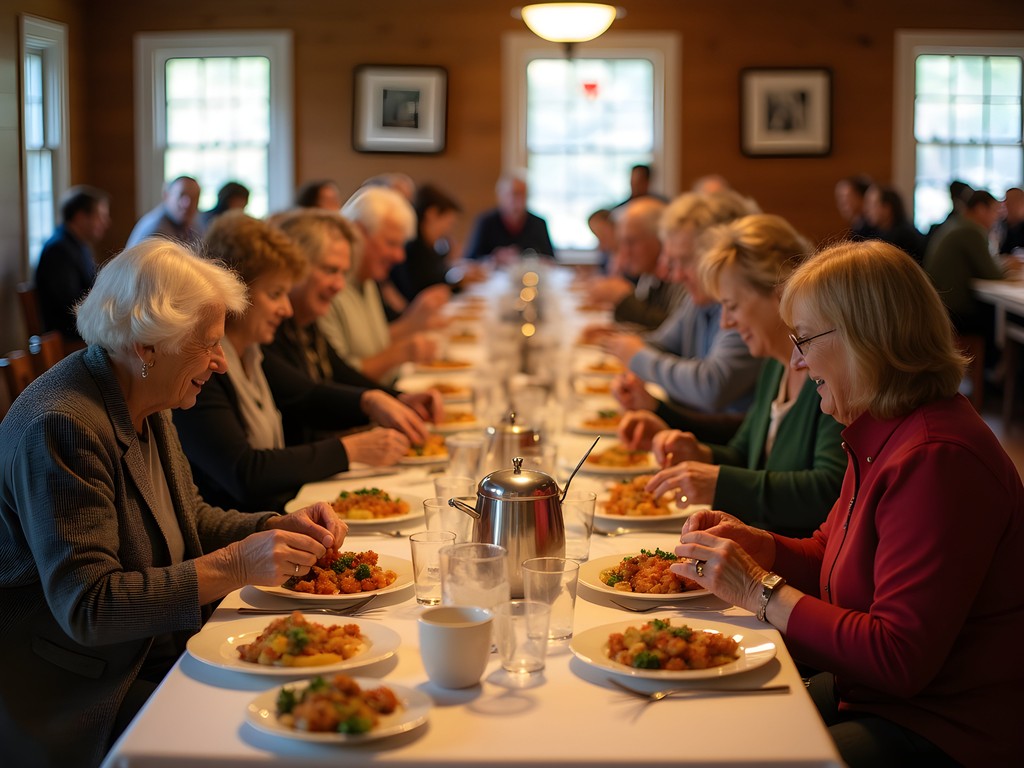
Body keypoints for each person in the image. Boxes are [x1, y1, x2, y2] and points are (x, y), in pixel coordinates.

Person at [673, 240, 1024, 765]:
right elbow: (831, 558)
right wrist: (761, 547)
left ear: (866, 338)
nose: (795, 359)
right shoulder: (884, 426)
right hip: (872, 694)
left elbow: (897, 656)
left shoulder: (937, 457)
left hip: (944, 727)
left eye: (805, 340)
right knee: (707, 715)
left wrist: (757, 589)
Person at [0, 239, 348, 768]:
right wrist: (237, 564)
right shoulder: (64, 425)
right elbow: (88, 606)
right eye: (208, 344)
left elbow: (190, 518)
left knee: (311, 693)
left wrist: (277, 525)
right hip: (83, 689)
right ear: (146, 347)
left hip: (148, 652)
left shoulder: (146, 392)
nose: (221, 363)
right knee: (271, 736)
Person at [173, 212, 415, 513]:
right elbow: (244, 473)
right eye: (276, 294)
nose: (286, 309)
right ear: (235, 293)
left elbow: (309, 394)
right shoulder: (203, 369)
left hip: (276, 518)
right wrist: (350, 449)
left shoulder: (252, 353)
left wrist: (386, 400)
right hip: (247, 535)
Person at [645, 214, 846, 537]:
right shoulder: (774, 365)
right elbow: (744, 455)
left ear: (779, 294)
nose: (725, 322)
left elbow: (827, 491)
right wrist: (696, 452)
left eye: (732, 306)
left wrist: (717, 481)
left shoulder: (825, 376)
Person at [267, 207, 443, 445]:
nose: (339, 285)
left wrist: (400, 399)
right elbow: (306, 395)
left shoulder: (305, 323)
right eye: (330, 270)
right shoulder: (270, 330)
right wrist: (370, 403)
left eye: (343, 273)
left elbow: (341, 373)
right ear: (295, 267)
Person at [599, 191, 762, 431]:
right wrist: (625, 349)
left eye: (684, 261)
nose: (673, 274)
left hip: (722, 440)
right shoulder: (700, 301)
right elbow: (662, 342)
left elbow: (712, 387)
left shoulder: (742, 308)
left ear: (718, 256)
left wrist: (637, 357)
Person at [318, 185, 449, 385]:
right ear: (358, 233)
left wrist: (415, 322)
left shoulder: (368, 278)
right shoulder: (330, 288)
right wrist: (402, 351)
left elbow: (374, 344)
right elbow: (339, 379)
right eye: (391, 243)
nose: (400, 256)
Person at [585, 196, 682, 330]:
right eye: (622, 243)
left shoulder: (680, 276)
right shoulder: (648, 275)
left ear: (659, 238)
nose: (624, 252)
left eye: (631, 242)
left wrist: (624, 298)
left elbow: (672, 332)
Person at [923, 189, 1007, 338]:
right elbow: (993, 274)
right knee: (999, 323)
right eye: (994, 211)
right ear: (981, 209)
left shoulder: (957, 223)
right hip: (954, 311)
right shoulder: (971, 230)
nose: (996, 218)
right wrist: (1008, 266)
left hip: (937, 304)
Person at [34, 184, 111, 344]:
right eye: (100, 216)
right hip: (67, 336)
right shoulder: (58, 250)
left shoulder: (78, 244)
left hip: (80, 327)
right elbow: (70, 305)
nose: (106, 223)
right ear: (80, 217)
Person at [389, 183, 464, 303]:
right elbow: (423, 290)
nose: (448, 230)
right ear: (432, 214)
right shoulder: (411, 246)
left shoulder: (429, 245)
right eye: (448, 223)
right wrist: (459, 282)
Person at [463, 171, 555, 263]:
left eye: (523, 194)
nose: (518, 199)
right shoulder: (486, 222)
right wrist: (494, 258)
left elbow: (550, 259)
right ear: (501, 196)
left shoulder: (539, 223)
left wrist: (528, 259)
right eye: (514, 193)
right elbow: (470, 260)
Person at [125, 175, 202, 248]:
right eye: (182, 195)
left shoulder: (192, 224)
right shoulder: (156, 231)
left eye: (194, 198)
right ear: (166, 196)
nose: (187, 204)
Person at [862, 183, 924, 262]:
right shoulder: (877, 232)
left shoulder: (904, 236)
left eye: (872, 205)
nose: (866, 210)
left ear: (887, 208)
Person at [833, 174, 875, 240]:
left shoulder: (873, 229)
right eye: (839, 198)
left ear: (861, 197)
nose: (842, 204)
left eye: (845, 197)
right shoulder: (857, 227)